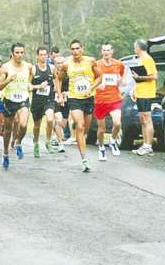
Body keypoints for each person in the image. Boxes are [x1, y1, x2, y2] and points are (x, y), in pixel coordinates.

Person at [56, 40, 101, 172]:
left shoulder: (91, 61)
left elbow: (100, 77)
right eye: (72, 49)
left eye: (77, 48)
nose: (75, 51)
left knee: (84, 129)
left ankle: (81, 141)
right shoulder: (66, 64)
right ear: (70, 51)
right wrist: (59, 95)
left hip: (88, 98)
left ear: (82, 49)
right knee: (80, 127)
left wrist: (91, 87)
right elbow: (58, 78)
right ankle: (84, 160)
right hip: (74, 98)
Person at [0, 43, 33, 169]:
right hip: (9, 100)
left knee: (23, 124)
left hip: (23, 99)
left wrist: (29, 85)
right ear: (12, 53)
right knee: (8, 129)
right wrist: (8, 80)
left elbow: (31, 79)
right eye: (17, 52)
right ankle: (5, 153)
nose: (19, 55)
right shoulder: (5, 67)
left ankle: (18, 143)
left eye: (22, 52)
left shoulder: (28, 66)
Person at [95, 43, 126, 161]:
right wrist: (98, 86)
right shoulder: (96, 65)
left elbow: (122, 80)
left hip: (114, 99)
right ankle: (102, 148)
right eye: (104, 50)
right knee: (101, 129)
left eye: (108, 50)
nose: (106, 52)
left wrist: (120, 81)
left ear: (112, 52)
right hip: (100, 100)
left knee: (117, 123)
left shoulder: (119, 64)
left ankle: (112, 141)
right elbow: (91, 83)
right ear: (101, 52)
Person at [131, 39, 158, 156]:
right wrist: (134, 89)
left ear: (139, 48)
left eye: (134, 47)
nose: (134, 49)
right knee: (142, 119)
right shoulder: (140, 59)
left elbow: (154, 76)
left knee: (147, 118)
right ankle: (145, 144)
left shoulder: (147, 59)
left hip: (147, 93)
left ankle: (148, 145)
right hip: (140, 92)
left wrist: (140, 76)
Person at [30, 46, 57, 157]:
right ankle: (36, 143)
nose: (43, 57)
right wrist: (38, 86)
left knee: (50, 119)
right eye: (41, 55)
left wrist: (56, 88)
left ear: (48, 55)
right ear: (37, 56)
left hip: (48, 100)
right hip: (37, 101)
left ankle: (48, 141)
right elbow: (28, 86)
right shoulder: (33, 69)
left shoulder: (52, 68)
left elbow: (56, 79)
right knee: (37, 125)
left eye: (45, 55)